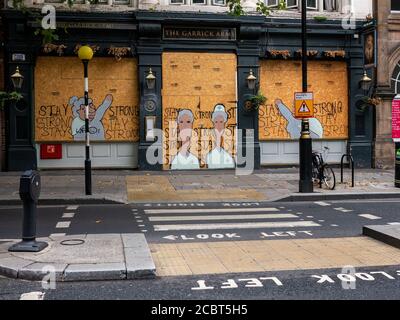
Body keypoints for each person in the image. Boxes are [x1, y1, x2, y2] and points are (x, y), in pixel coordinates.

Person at [205, 104, 235, 169]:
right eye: (216, 122)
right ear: (213, 122)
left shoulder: (228, 156)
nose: (218, 125)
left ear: (225, 122)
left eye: (221, 122)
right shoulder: (209, 156)